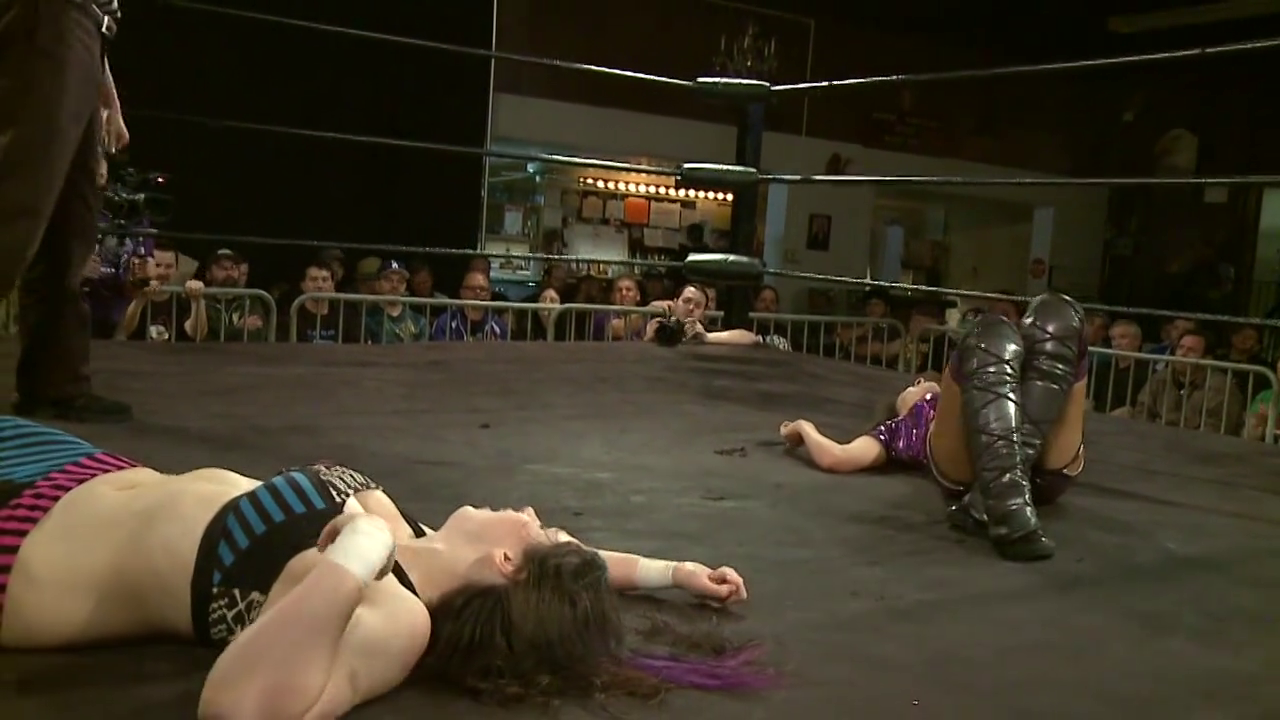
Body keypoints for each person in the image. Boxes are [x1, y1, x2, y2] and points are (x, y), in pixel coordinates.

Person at [0, 417, 766, 716]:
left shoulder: (396, 614)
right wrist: (673, 572)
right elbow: (578, 564)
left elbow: (236, 709)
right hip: (77, 466)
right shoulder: (414, 535)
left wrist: (358, 551)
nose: (529, 508)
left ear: (507, 561)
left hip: (27, 545)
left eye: (536, 526)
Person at [778, 292, 1089, 563]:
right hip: (984, 468)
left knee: (1057, 314)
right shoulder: (898, 428)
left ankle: (993, 500)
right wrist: (804, 428)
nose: (919, 382)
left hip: (1036, 457)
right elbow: (837, 456)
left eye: (922, 382)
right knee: (990, 334)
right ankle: (1007, 504)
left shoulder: (998, 384)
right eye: (913, 385)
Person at [0, 0, 132, 423]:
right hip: (54, 17)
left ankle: (55, 383)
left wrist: (106, 94)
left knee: (69, 221)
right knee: (18, 201)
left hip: (84, 29)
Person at [644, 284, 787, 348]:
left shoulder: (705, 331)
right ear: (675, 303)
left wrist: (707, 337)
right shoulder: (660, 326)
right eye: (686, 301)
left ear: (703, 313)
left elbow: (749, 337)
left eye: (698, 305)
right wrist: (649, 338)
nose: (691, 308)